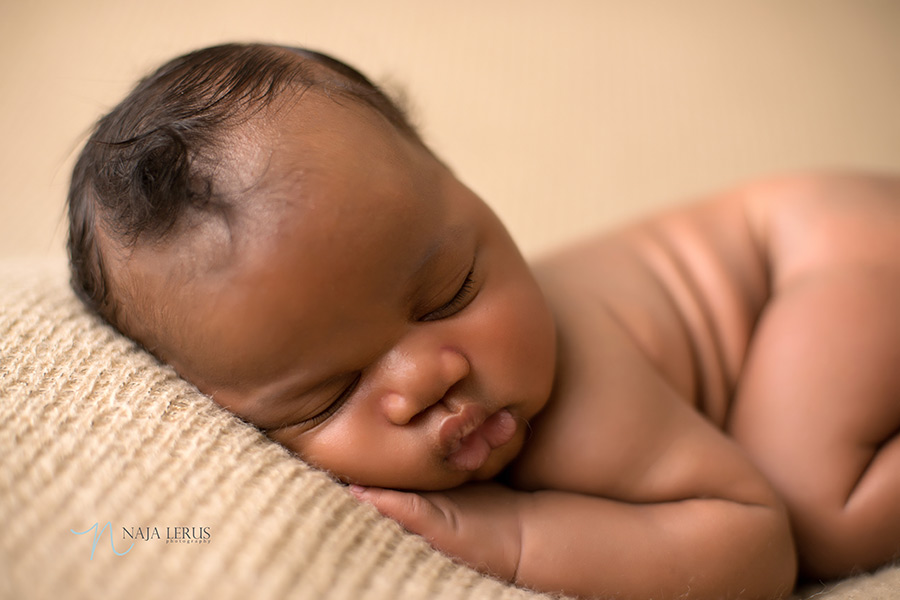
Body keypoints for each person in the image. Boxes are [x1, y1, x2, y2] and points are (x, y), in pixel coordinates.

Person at [67, 43, 900, 600]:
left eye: (451, 292)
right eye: (330, 394)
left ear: (468, 190)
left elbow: (757, 545)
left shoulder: (586, 404)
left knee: (819, 518)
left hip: (831, 248)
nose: (430, 378)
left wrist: (512, 541)